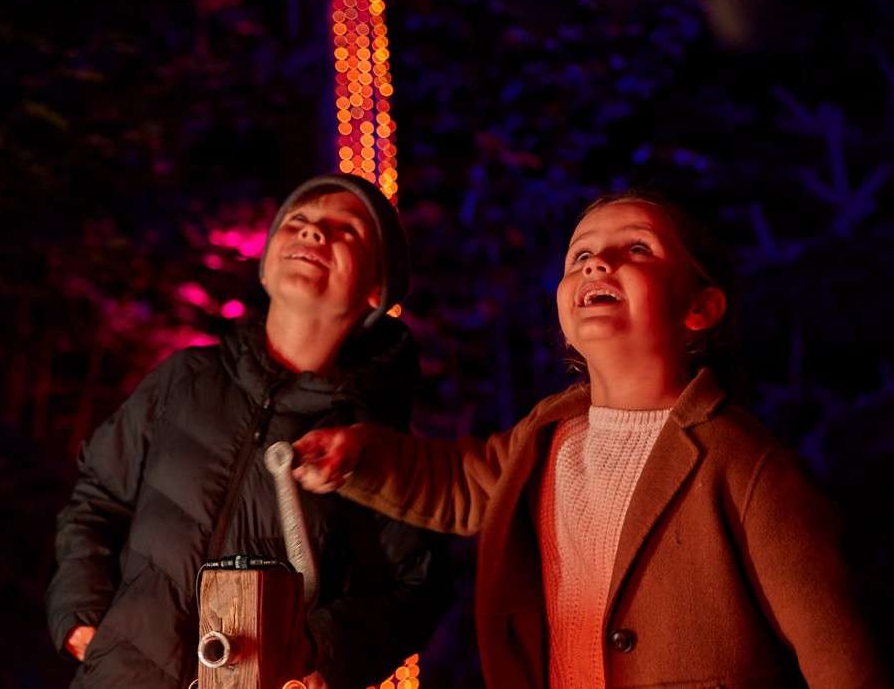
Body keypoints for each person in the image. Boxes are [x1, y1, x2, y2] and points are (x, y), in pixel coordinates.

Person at [293, 191, 888, 688]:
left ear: (700, 308)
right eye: (580, 255)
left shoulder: (746, 465)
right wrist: (360, 456)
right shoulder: (549, 436)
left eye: (636, 248)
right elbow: (462, 484)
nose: (597, 264)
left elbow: (839, 657)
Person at [46, 173, 448, 689]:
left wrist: (315, 653)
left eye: (344, 229)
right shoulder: (183, 381)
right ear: (265, 267)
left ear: (378, 287)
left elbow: (415, 588)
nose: (311, 234)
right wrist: (83, 616)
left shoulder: (375, 442)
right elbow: (97, 498)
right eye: (297, 222)